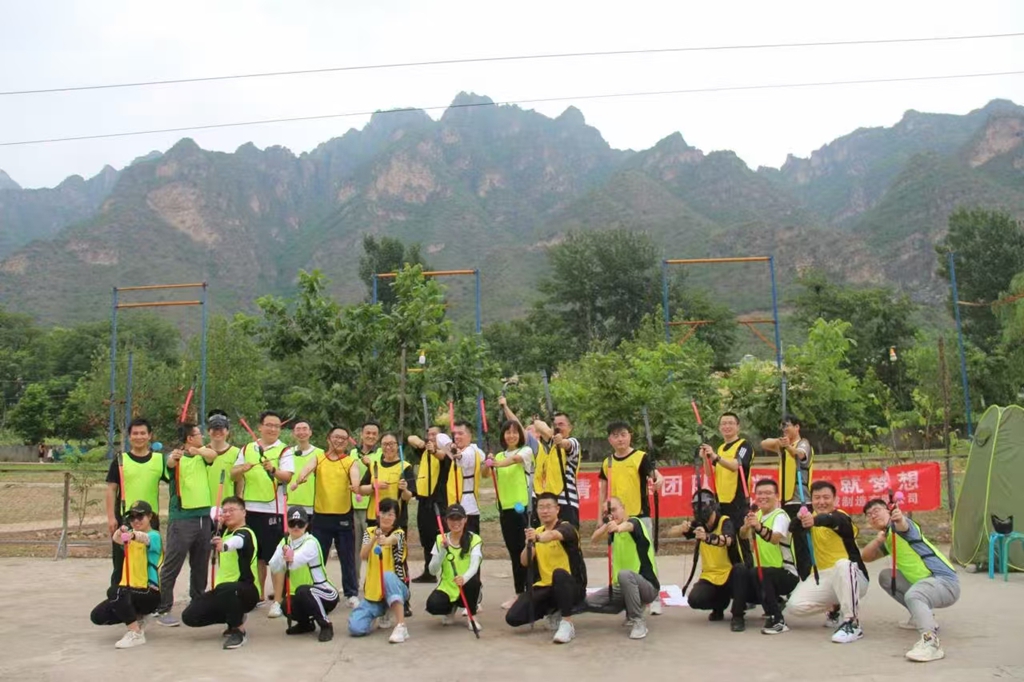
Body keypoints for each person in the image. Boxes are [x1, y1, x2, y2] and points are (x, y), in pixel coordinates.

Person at [860, 497, 960, 662]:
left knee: (915, 595)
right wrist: (878, 540)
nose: (873, 516)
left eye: (876, 510)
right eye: (869, 515)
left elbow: (903, 525)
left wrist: (899, 517)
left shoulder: (903, 528)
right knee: (886, 577)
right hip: (926, 585)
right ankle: (920, 617)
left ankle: (931, 643)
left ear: (888, 510)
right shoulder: (888, 537)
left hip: (944, 581)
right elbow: (867, 557)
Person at [784, 481, 870, 644]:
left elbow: (833, 520)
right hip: (822, 576)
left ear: (835, 499)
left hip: (853, 576)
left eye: (826, 497)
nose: (821, 502)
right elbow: (792, 528)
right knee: (795, 606)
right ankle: (835, 607)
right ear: (812, 501)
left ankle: (852, 623)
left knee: (842, 564)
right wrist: (800, 518)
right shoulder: (808, 520)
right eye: (817, 498)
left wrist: (814, 521)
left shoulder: (841, 517)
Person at [155, 422, 217, 626]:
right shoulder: (174, 457)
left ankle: (197, 604)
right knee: (173, 564)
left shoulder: (202, 454)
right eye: (198, 434)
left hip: (203, 517)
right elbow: (169, 466)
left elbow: (212, 456)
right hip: (182, 519)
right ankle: (163, 608)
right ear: (189, 437)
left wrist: (197, 450)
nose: (202, 436)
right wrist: (174, 458)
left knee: (200, 565)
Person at [599, 421, 664, 614]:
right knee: (619, 558)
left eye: (623, 434)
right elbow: (602, 491)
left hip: (638, 517)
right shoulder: (607, 462)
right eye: (615, 435)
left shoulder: (640, 457)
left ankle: (655, 597)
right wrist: (599, 518)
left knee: (646, 558)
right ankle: (624, 597)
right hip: (615, 519)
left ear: (630, 436)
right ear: (610, 439)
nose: (620, 439)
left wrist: (659, 480)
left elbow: (655, 475)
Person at [292, 426, 361, 608]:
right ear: (328, 438)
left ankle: (351, 593)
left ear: (347, 442)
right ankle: (317, 590)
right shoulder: (319, 458)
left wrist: (356, 487)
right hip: (321, 516)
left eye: (343, 438)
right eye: (336, 437)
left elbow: (355, 477)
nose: (339, 441)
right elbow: (306, 469)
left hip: (343, 515)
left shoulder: (350, 461)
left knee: (347, 557)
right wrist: (300, 479)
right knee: (317, 556)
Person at [505, 492, 588, 644]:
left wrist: (538, 538)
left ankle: (567, 623)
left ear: (557, 509)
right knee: (513, 617)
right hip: (545, 587)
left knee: (559, 574)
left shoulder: (567, 528)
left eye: (549, 507)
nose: (545, 511)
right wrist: (528, 543)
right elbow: (524, 561)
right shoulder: (536, 532)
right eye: (541, 507)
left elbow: (554, 535)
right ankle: (553, 610)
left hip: (571, 586)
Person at [231, 411, 294, 604]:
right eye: (269, 425)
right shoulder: (247, 448)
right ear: (260, 427)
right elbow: (233, 474)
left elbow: (288, 476)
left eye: (276, 426)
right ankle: (257, 594)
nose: (273, 429)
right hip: (249, 509)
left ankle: (278, 598)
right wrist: (242, 469)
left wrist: (273, 470)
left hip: (273, 510)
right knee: (255, 556)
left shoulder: (285, 450)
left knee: (274, 557)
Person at [181, 496, 260, 650]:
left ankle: (238, 630)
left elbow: (237, 541)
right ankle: (234, 617)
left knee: (227, 588)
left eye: (232, 510)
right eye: (225, 511)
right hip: (224, 591)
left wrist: (224, 546)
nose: (228, 514)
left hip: (247, 591)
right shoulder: (223, 532)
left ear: (244, 512)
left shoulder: (246, 533)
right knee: (190, 615)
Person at [667, 490, 750, 631]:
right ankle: (719, 605)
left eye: (702, 506)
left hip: (729, 573)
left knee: (741, 570)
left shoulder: (725, 521)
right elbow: (668, 533)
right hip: (710, 576)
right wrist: (681, 528)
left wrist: (708, 537)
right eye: (695, 507)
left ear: (712, 506)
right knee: (695, 599)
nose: (698, 511)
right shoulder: (699, 524)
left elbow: (728, 540)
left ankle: (738, 616)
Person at [90, 500, 163, 648]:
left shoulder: (154, 536)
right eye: (132, 517)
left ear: (150, 516)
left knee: (114, 591)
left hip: (149, 591)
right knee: (98, 616)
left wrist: (133, 535)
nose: (136, 521)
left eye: (140, 517)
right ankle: (136, 617)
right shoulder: (128, 537)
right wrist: (121, 531)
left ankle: (135, 633)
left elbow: (145, 539)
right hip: (130, 588)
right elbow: (116, 539)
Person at [585, 496, 659, 640]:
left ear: (623, 508)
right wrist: (608, 525)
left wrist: (618, 527)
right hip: (620, 587)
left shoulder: (635, 523)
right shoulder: (612, 530)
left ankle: (638, 620)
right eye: (606, 513)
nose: (611, 514)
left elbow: (629, 526)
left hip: (647, 586)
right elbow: (593, 539)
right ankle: (628, 606)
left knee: (625, 575)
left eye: (614, 509)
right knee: (590, 602)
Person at [105, 418, 167, 586]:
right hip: (126, 518)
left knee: (149, 562)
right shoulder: (120, 460)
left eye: (143, 433)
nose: (139, 437)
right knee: (121, 563)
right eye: (135, 433)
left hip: (150, 520)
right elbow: (111, 489)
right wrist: (111, 517)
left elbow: (175, 481)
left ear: (149, 436)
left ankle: (147, 599)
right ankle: (118, 598)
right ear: (129, 436)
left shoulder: (159, 460)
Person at [268, 506, 340, 642]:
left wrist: (288, 556)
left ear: (306, 525)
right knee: (286, 604)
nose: (296, 527)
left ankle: (326, 625)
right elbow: (274, 566)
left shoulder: (311, 542)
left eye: (300, 524)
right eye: (292, 523)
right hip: (304, 594)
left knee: (303, 591)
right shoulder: (285, 541)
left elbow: (294, 562)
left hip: (325, 593)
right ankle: (305, 624)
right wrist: (282, 553)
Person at [483, 419, 533, 610]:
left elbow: (513, 460)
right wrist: (488, 463)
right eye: (507, 432)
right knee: (514, 553)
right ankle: (519, 592)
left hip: (524, 509)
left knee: (527, 551)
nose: (511, 435)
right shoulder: (498, 455)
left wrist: (496, 462)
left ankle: (532, 591)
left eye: (515, 432)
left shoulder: (526, 451)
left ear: (520, 435)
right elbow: (487, 474)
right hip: (505, 510)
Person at [738, 478, 799, 634]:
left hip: (786, 572)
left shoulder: (780, 516)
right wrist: (746, 525)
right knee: (747, 573)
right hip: (765, 571)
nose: (763, 497)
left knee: (761, 573)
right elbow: (743, 535)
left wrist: (758, 527)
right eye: (760, 493)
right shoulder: (756, 514)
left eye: (768, 493)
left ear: (777, 496)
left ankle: (778, 620)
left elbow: (774, 538)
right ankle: (773, 604)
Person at [347, 499, 411, 643]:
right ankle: (377, 613)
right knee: (355, 628)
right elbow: (363, 555)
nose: (386, 517)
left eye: (391, 514)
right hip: (373, 593)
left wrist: (385, 540)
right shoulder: (369, 532)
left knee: (387, 576)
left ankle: (401, 626)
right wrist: (374, 539)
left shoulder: (399, 533)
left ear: (396, 518)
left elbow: (394, 540)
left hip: (397, 588)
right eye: (383, 513)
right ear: (378, 514)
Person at [761, 414, 814, 579]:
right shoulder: (782, 445)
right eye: (783, 427)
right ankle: (790, 577)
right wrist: (781, 443)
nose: (785, 430)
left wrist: (789, 447)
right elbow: (764, 443)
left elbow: (800, 454)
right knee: (785, 542)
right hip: (786, 502)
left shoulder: (803, 443)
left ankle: (806, 578)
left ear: (797, 427)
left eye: (788, 426)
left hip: (801, 501)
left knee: (802, 545)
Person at [425, 503, 483, 630]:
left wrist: (464, 578)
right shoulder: (440, 539)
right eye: (452, 519)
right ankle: (451, 608)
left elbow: (475, 565)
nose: (455, 522)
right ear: (446, 521)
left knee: (474, 582)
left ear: (465, 519)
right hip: (448, 587)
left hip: (467, 585)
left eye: (459, 518)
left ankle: (471, 616)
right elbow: (432, 570)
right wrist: (442, 551)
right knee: (433, 605)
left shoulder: (474, 539)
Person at [408, 426, 447, 582]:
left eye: (434, 434)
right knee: (426, 537)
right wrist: (425, 445)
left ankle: (445, 571)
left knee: (440, 537)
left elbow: (442, 456)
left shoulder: (445, 453)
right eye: (429, 434)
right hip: (423, 500)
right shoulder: (424, 451)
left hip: (438, 501)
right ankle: (428, 572)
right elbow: (411, 438)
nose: (430, 437)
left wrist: (434, 450)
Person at [704, 412, 755, 532]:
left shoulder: (744, 446)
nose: (727, 426)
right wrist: (705, 457)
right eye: (724, 423)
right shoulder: (721, 448)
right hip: (721, 502)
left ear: (738, 427)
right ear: (719, 428)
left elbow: (736, 465)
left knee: (740, 542)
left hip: (738, 502)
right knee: (726, 540)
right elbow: (709, 473)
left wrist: (715, 457)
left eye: (731, 423)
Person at [533, 412, 582, 527]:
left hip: (567, 504)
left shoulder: (574, 442)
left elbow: (567, 444)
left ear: (570, 428)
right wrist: (538, 421)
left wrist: (561, 441)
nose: (558, 427)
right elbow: (539, 426)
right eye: (555, 424)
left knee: (568, 542)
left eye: (561, 424)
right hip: (552, 505)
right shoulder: (553, 443)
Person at [359, 433, 415, 531]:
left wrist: (404, 489)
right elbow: (361, 490)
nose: (388, 447)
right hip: (374, 518)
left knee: (395, 546)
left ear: (397, 446)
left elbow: (407, 496)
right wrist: (374, 486)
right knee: (371, 546)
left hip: (396, 519)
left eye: (392, 444)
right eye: (384, 444)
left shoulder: (406, 467)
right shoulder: (374, 466)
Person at [349, 421, 382, 586]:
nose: (370, 436)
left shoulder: (382, 454)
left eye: (374, 434)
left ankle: (372, 580)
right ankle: (354, 581)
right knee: (354, 548)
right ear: (361, 434)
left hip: (373, 508)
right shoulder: (352, 454)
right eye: (367, 433)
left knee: (372, 546)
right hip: (353, 507)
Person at [439, 421, 485, 535]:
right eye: (455, 434)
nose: (457, 437)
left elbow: (465, 459)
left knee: (469, 544)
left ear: (470, 436)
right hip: (454, 506)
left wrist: (459, 455)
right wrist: (451, 446)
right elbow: (439, 437)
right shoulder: (454, 449)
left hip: (468, 509)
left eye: (461, 433)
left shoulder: (473, 452)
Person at [285, 420, 322, 518]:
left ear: (310, 432)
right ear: (293, 433)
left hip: (313, 504)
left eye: (305, 429)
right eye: (298, 429)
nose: (301, 432)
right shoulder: (287, 453)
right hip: (290, 503)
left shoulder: (321, 453)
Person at [206, 411, 238, 501]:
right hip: (204, 507)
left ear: (227, 431)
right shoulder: (201, 453)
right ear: (208, 431)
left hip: (228, 505)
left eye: (221, 429)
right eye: (214, 429)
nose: (217, 432)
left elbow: (240, 481)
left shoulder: (237, 453)